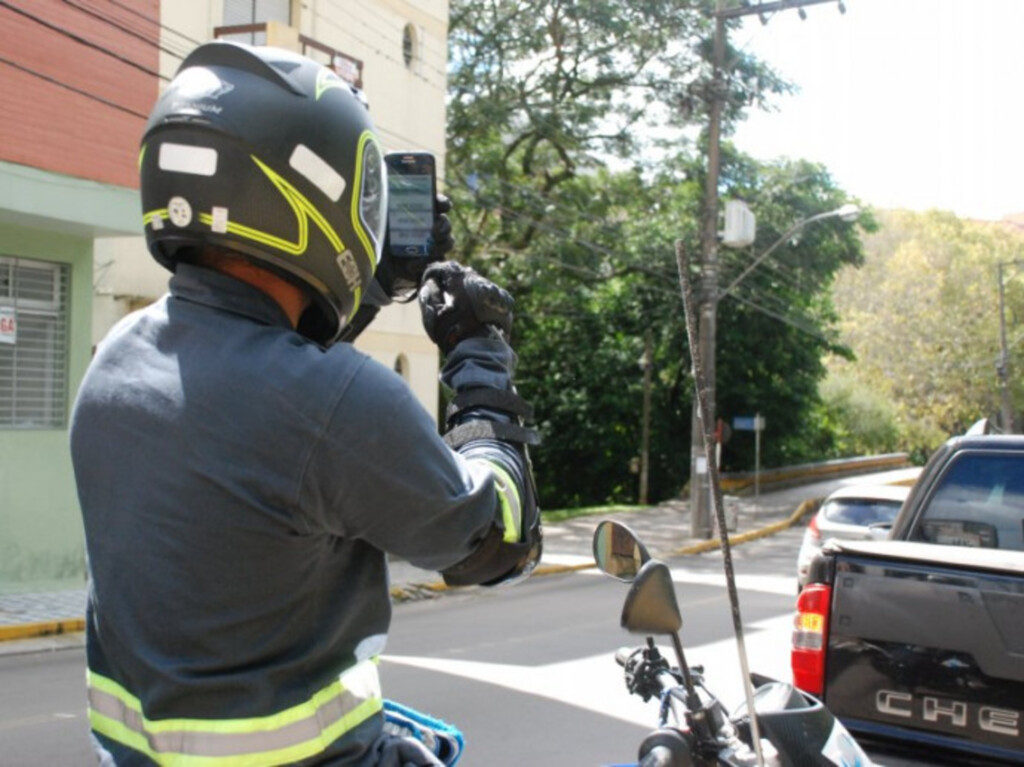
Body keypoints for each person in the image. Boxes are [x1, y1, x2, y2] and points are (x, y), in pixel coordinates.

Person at [70, 41, 541, 766]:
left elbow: (255, 383)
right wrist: (479, 360)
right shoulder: (336, 403)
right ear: (314, 197)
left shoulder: (113, 360)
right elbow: (496, 542)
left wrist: (369, 286)